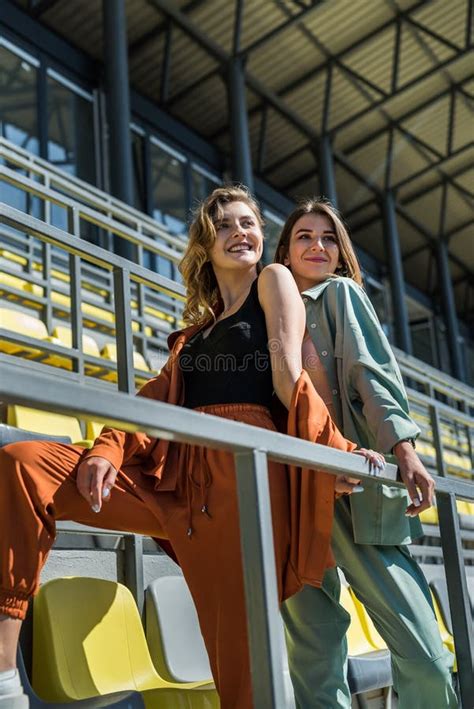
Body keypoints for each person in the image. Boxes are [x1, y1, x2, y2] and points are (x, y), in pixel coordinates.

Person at [0, 186, 373, 709]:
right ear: (205, 244)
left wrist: (333, 450)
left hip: (240, 484)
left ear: (263, 238)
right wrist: (106, 450)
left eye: (248, 223)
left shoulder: (272, 279)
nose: (239, 231)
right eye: (224, 225)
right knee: (23, 463)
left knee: (239, 672)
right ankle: (4, 682)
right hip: (176, 482)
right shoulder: (192, 339)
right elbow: (153, 400)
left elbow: (290, 377)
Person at [275, 198, 457, 708]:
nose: (317, 245)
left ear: (340, 252)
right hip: (292, 493)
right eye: (304, 236)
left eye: (328, 237)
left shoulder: (341, 294)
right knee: (314, 658)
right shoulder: (267, 312)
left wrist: (405, 448)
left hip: (354, 485)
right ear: (285, 254)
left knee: (425, 654)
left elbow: (370, 372)